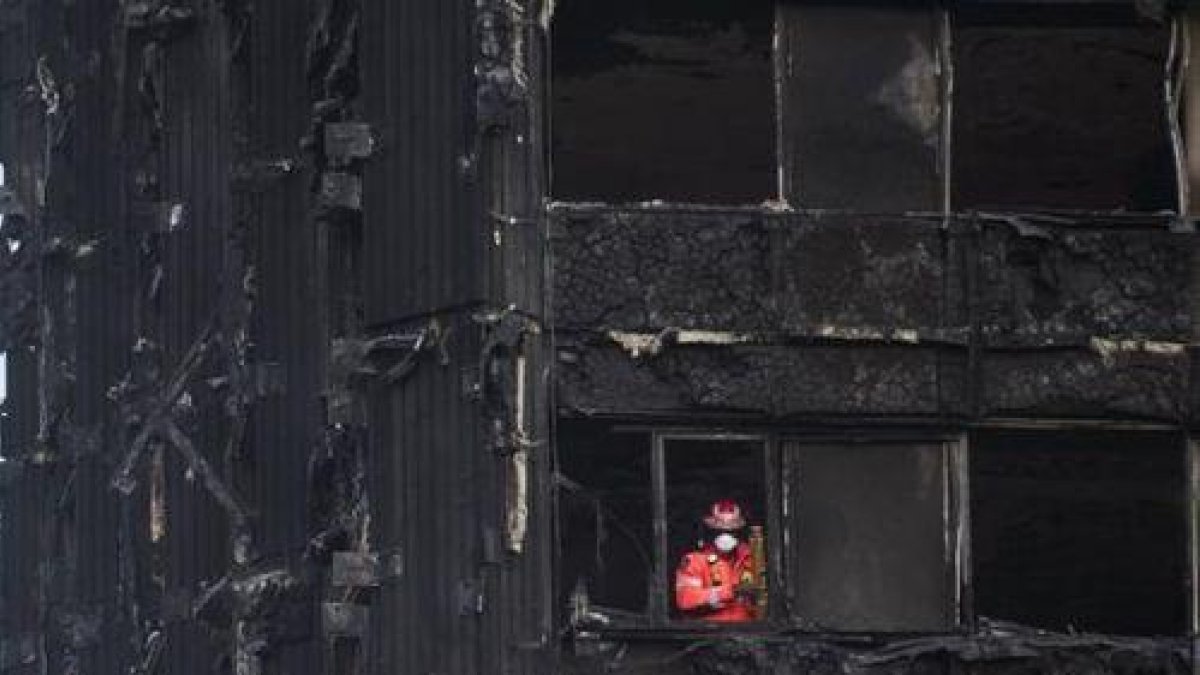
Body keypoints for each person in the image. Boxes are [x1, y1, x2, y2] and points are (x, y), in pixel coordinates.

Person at [674, 499, 757, 623]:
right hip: (710, 635)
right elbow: (686, 599)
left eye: (731, 531)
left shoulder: (752, 559)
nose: (726, 536)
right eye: (720, 531)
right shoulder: (694, 561)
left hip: (748, 634)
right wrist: (729, 592)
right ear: (711, 531)